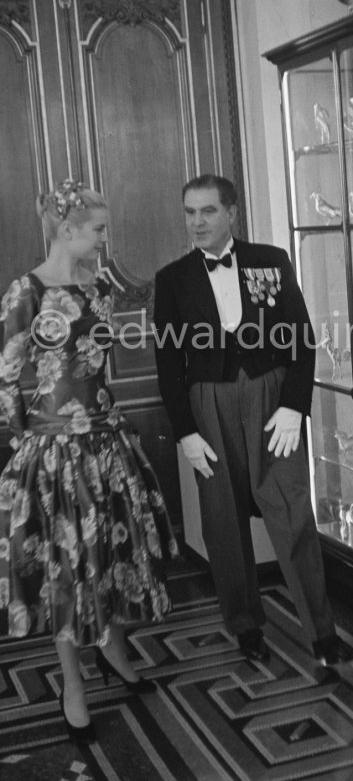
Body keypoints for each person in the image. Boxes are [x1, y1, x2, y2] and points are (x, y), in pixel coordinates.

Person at [0, 180, 179, 745]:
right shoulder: (25, 290)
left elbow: (149, 296)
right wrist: (19, 442)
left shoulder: (101, 282)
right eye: (98, 229)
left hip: (108, 440)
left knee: (110, 555)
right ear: (67, 230)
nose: (105, 238)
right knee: (65, 569)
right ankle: (72, 683)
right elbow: (4, 374)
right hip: (54, 450)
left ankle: (115, 653)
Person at [153, 173, 347, 666]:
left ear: (232, 212)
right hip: (208, 406)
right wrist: (186, 434)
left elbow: (303, 339)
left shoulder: (271, 261)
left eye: (208, 211)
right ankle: (245, 626)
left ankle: (322, 632)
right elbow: (168, 364)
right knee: (222, 521)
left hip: (270, 401)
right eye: (190, 213)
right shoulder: (173, 279)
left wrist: (293, 406)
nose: (197, 222)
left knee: (292, 513)